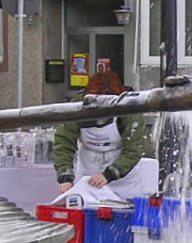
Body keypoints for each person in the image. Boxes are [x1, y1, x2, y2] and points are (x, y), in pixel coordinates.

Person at [52, 69, 150, 202]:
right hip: (88, 168)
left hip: (124, 175)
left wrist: (109, 174)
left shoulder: (129, 108)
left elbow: (135, 148)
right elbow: (64, 141)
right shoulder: (78, 106)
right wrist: (65, 177)